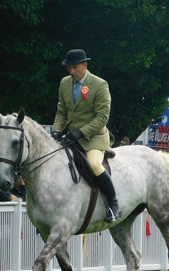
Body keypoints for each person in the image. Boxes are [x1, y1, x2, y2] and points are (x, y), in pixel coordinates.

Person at [53, 49, 121, 222]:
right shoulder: (64, 83)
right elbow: (61, 110)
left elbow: (102, 117)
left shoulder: (99, 84)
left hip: (93, 138)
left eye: (75, 68)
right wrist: (56, 130)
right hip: (71, 137)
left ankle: (114, 204)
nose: (71, 72)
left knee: (94, 164)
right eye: (69, 68)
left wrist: (82, 132)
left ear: (85, 65)